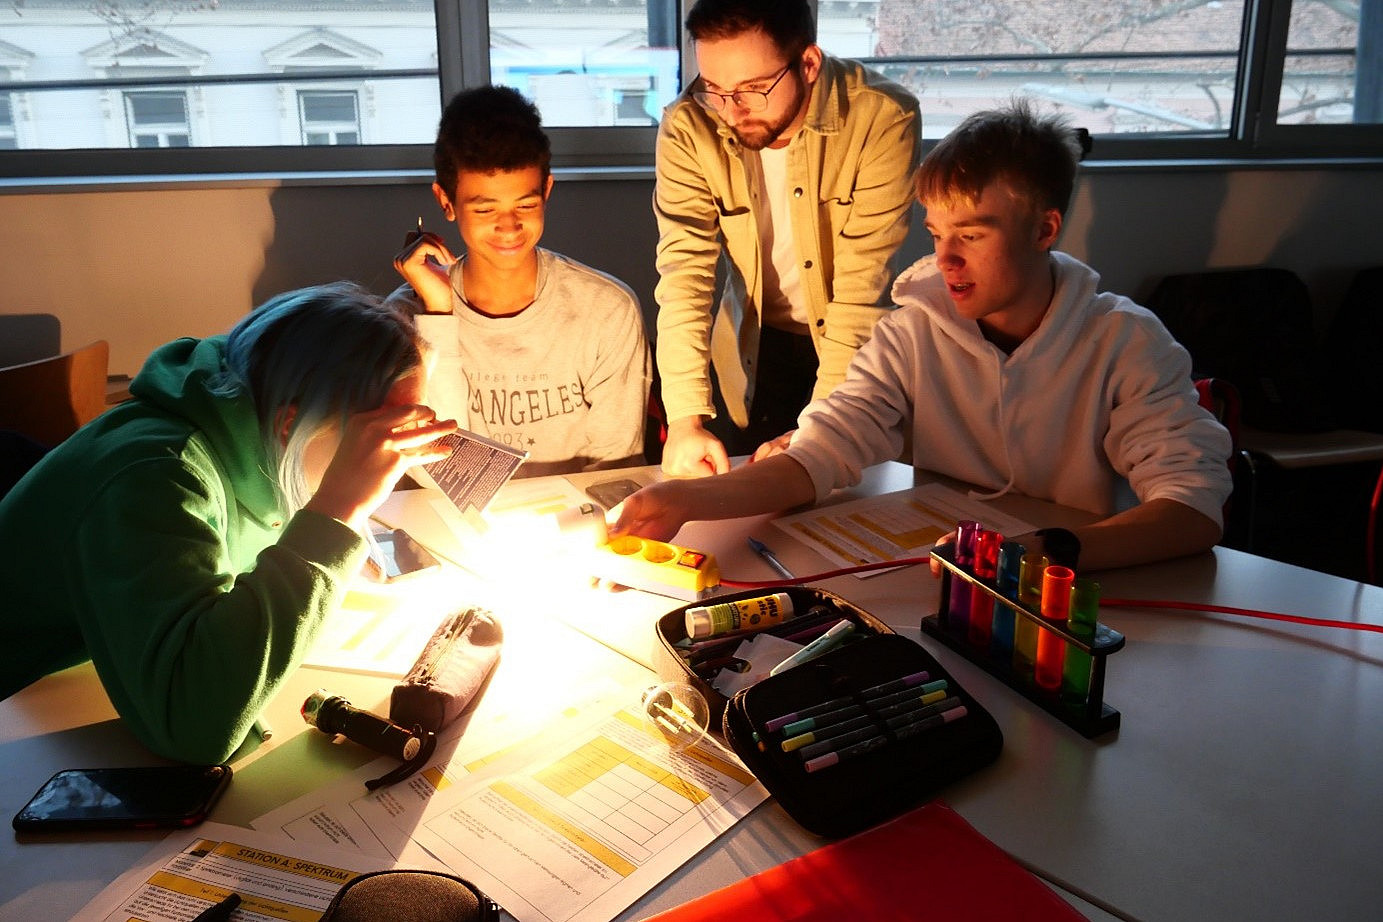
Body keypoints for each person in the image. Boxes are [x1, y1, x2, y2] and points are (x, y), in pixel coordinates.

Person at [615, 101, 1234, 572]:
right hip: (949, 581)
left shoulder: (1123, 342)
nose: (946, 259)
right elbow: (821, 451)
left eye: (972, 234)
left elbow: (1193, 510)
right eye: (937, 234)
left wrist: (1042, 552)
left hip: (1071, 593)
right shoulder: (912, 332)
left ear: (1045, 229)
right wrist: (682, 501)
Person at [0, 282, 456, 763]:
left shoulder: (249, 413)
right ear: (290, 424)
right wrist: (337, 512)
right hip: (20, 722)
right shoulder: (157, 477)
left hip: (82, 683)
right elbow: (197, 727)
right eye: (383, 438)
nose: (396, 459)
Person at [653, 0, 921, 476]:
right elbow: (685, 276)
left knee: (835, 506)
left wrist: (821, 434)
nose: (732, 111)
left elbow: (861, 294)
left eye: (754, 89)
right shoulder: (691, 125)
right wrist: (684, 420)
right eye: (715, 89)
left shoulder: (882, 118)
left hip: (849, 350)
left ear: (809, 63)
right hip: (750, 345)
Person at [391, 85, 651, 478]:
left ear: (546, 191)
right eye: (485, 208)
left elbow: (616, 471)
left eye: (525, 205)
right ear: (446, 202)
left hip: (577, 520)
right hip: (451, 528)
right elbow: (437, 474)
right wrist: (439, 315)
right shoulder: (402, 319)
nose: (509, 226)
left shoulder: (605, 310)